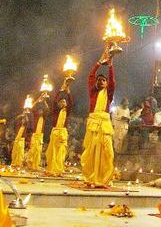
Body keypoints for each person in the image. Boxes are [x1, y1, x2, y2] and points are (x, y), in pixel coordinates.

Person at [80, 53, 115, 187]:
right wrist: (99, 62)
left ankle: (104, 178)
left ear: (106, 84)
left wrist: (110, 65)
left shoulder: (109, 94)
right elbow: (90, 77)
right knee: (90, 152)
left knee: (108, 153)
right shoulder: (93, 93)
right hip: (93, 124)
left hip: (105, 125)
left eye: (103, 80)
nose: (100, 81)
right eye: (98, 80)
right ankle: (91, 178)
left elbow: (112, 81)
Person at [45, 79, 73, 176]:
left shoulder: (67, 111)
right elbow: (54, 101)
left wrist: (68, 92)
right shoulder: (55, 112)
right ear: (59, 104)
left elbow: (71, 102)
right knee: (52, 151)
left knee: (61, 151)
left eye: (65, 102)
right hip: (55, 132)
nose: (63, 103)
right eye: (61, 102)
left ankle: (59, 169)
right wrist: (61, 91)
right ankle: (52, 169)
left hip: (63, 133)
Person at [27, 92, 49, 171]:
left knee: (38, 150)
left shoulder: (43, 118)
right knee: (33, 149)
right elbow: (32, 107)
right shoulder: (36, 115)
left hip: (40, 135)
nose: (41, 112)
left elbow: (47, 109)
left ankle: (35, 166)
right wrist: (39, 99)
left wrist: (45, 101)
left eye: (41, 111)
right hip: (34, 134)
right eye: (39, 111)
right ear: (38, 111)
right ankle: (30, 164)